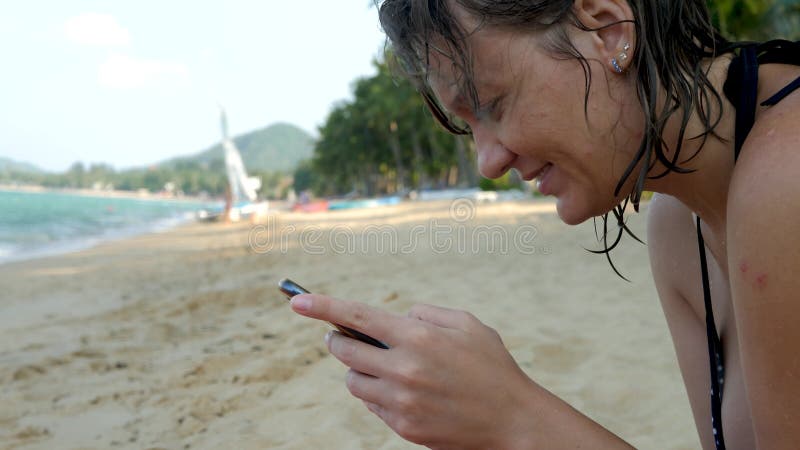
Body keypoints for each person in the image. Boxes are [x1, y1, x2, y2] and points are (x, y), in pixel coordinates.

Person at [290, 1, 800, 448]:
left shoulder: (786, 170)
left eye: (491, 104)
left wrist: (513, 417)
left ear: (607, 29)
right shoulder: (676, 227)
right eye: (467, 126)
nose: (488, 161)